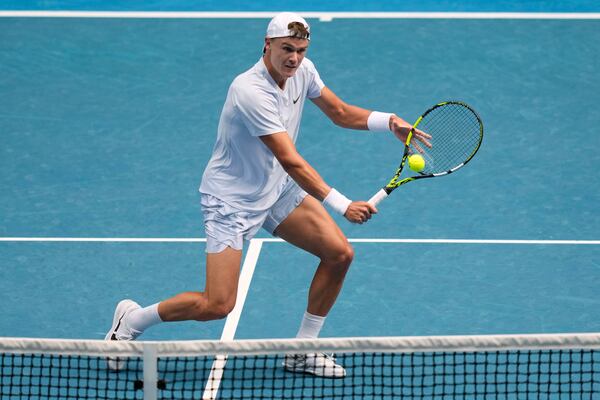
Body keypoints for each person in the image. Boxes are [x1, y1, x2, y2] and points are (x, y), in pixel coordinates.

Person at [106, 12, 431, 378]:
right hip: (232, 202)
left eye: (301, 50)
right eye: (286, 49)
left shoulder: (303, 72)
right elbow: (291, 160)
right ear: (267, 45)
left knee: (339, 254)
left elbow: (339, 112)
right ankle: (132, 320)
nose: (294, 58)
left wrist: (388, 121)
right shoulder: (249, 91)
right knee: (217, 304)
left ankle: (302, 352)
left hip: (274, 190)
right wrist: (342, 204)